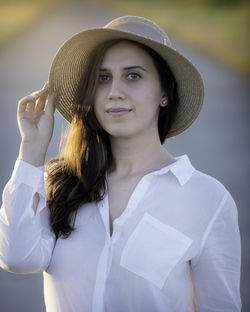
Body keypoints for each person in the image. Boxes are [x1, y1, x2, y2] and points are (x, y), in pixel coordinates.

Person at [0, 16, 241, 312]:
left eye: (133, 76)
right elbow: (16, 257)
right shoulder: (61, 181)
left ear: (164, 92)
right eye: (103, 78)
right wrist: (32, 149)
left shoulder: (207, 199)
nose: (114, 91)